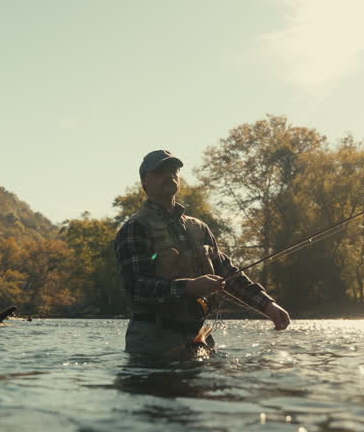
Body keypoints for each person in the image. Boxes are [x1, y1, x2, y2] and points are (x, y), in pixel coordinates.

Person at [115, 149, 290, 359]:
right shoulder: (135, 228)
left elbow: (229, 274)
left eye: (173, 170)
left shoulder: (199, 228)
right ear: (144, 182)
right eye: (160, 171)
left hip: (198, 339)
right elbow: (137, 288)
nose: (169, 175)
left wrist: (268, 306)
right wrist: (190, 286)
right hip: (153, 344)